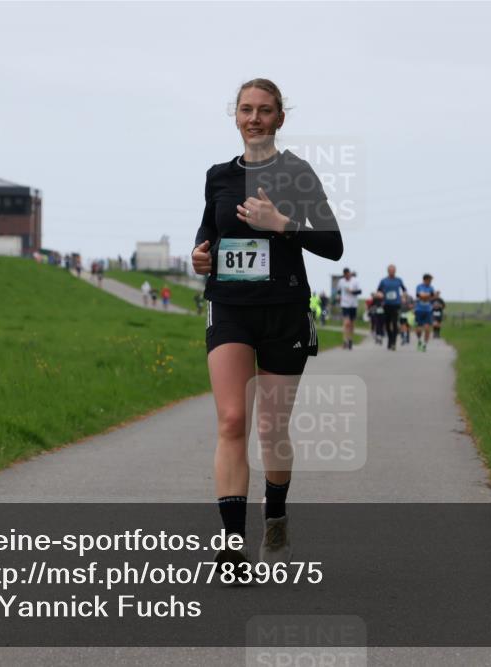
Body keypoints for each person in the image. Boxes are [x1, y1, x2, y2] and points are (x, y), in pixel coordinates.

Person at [191, 78, 342, 568]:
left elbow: (333, 244)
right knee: (233, 420)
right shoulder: (218, 175)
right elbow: (210, 232)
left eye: (264, 110)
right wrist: (200, 255)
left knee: (272, 429)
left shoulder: (297, 174)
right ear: (235, 117)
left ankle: (274, 516)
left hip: (284, 310)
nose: (254, 118)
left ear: (280, 118)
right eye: (245, 109)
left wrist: (282, 224)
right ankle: (233, 547)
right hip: (230, 306)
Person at [377, 265, 406, 350]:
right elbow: (378, 290)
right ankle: (390, 339)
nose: (392, 272)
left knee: (394, 323)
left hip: (396, 304)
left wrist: (403, 297)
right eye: (390, 270)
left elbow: (404, 290)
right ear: (388, 271)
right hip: (386, 304)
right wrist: (380, 294)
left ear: (395, 271)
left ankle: (394, 342)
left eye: (393, 270)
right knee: (387, 324)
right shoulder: (383, 281)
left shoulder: (399, 280)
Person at [337, 267, 361, 350]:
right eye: (345, 275)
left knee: (351, 324)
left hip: (353, 304)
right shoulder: (341, 281)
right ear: (344, 275)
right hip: (345, 304)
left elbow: (359, 291)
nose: (347, 277)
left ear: (350, 273)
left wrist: (352, 291)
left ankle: (350, 339)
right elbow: (339, 290)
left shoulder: (355, 281)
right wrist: (339, 296)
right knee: (346, 323)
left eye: (348, 275)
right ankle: (345, 340)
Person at [414, 273, 436, 351]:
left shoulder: (431, 288)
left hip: (428, 310)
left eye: (431, 280)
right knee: (419, 330)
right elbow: (420, 296)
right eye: (429, 280)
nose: (430, 282)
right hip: (419, 310)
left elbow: (433, 297)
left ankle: (424, 344)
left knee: (427, 328)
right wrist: (428, 296)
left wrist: (426, 296)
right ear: (425, 280)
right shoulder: (419, 287)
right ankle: (419, 340)